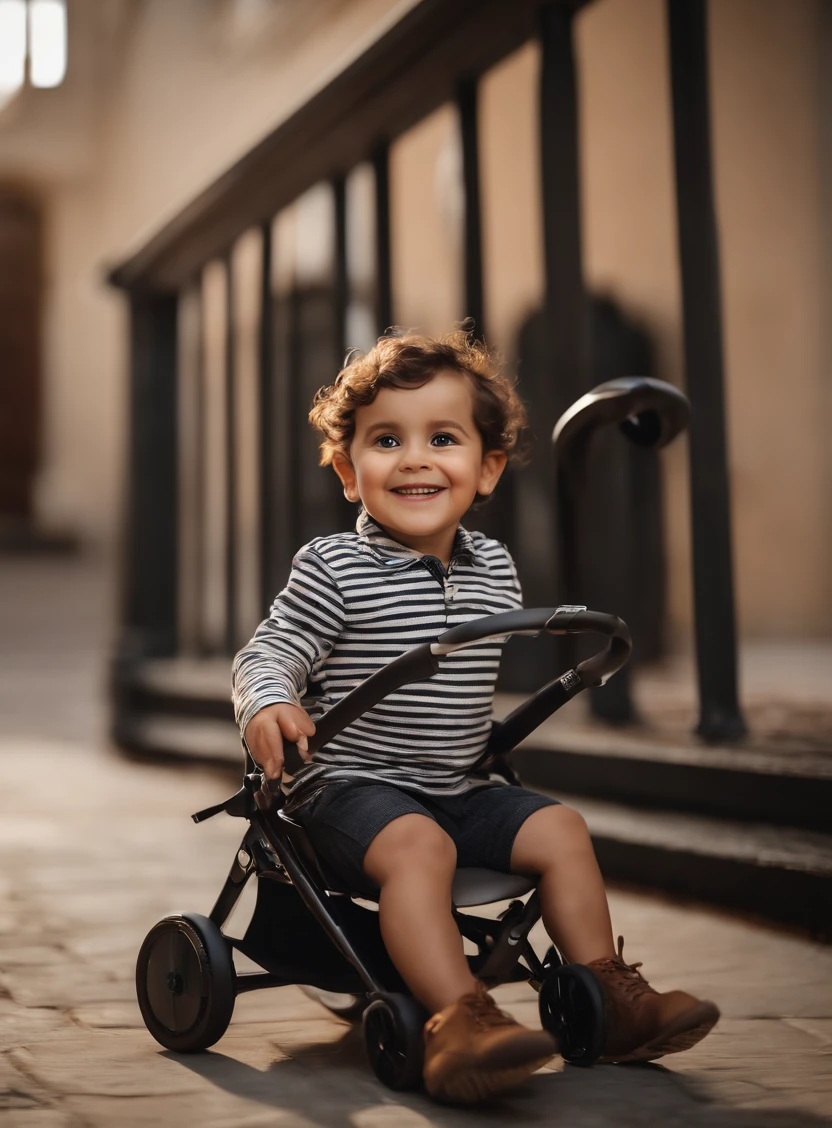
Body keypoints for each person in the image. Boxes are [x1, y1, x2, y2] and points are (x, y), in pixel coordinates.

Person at [233, 330, 719, 1104]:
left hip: (458, 783)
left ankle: (612, 995)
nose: (417, 459)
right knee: (418, 844)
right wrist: (270, 698)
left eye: (444, 438)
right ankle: (459, 1017)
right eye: (386, 440)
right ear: (348, 472)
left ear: (487, 468)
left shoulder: (494, 566)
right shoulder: (333, 566)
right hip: (348, 791)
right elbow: (272, 647)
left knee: (561, 828)